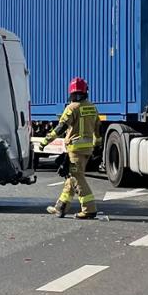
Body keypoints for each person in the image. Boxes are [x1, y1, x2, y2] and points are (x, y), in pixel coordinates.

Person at [46, 76, 101, 219]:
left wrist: (46, 141)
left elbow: (61, 127)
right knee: (71, 178)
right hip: (87, 149)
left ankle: (89, 209)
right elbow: (98, 128)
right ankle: (60, 207)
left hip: (75, 149)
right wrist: (97, 144)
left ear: (71, 93)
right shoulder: (92, 107)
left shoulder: (71, 108)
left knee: (77, 177)